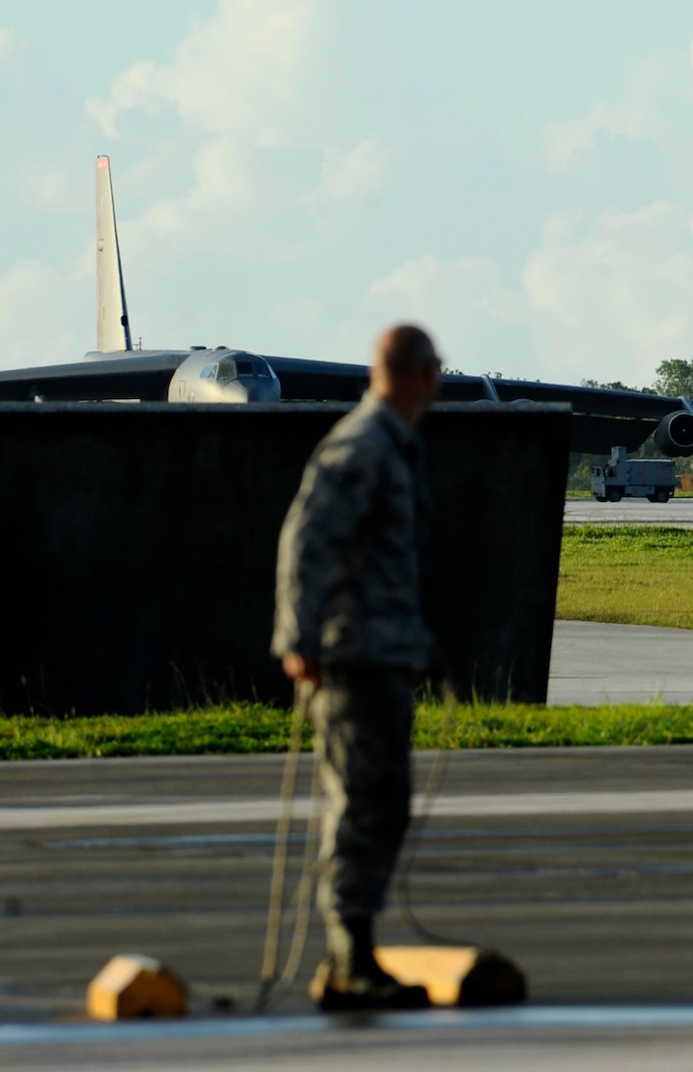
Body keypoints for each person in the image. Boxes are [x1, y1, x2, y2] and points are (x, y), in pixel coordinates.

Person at [273, 324, 443, 1011]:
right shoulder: (363, 445)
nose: (438, 383)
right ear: (412, 372)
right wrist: (300, 635)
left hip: (382, 652)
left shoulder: (394, 445)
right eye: (434, 369)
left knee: (382, 802)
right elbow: (308, 537)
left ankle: (357, 951)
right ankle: (349, 958)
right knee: (362, 805)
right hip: (352, 657)